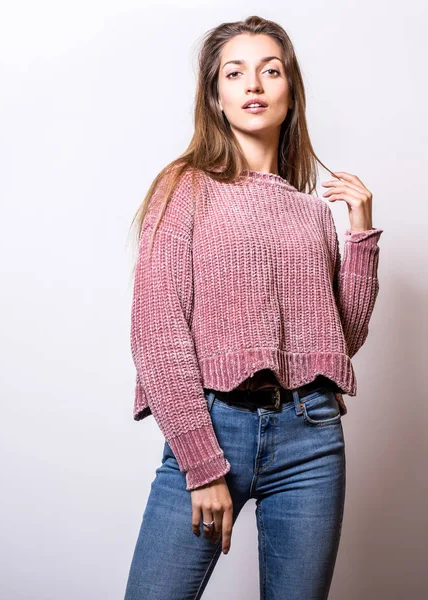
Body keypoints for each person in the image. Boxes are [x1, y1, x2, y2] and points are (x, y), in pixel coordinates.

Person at [124, 15, 384, 600]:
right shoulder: (184, 187)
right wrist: (201, 463)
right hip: (214, 427)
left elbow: (339, 339)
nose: (254, 85)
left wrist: (360, 235)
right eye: (235, 73)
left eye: (271, 71)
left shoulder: (311, 211)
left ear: (291, 93)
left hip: (312, 436)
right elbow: (157, 330)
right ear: (215, 97)